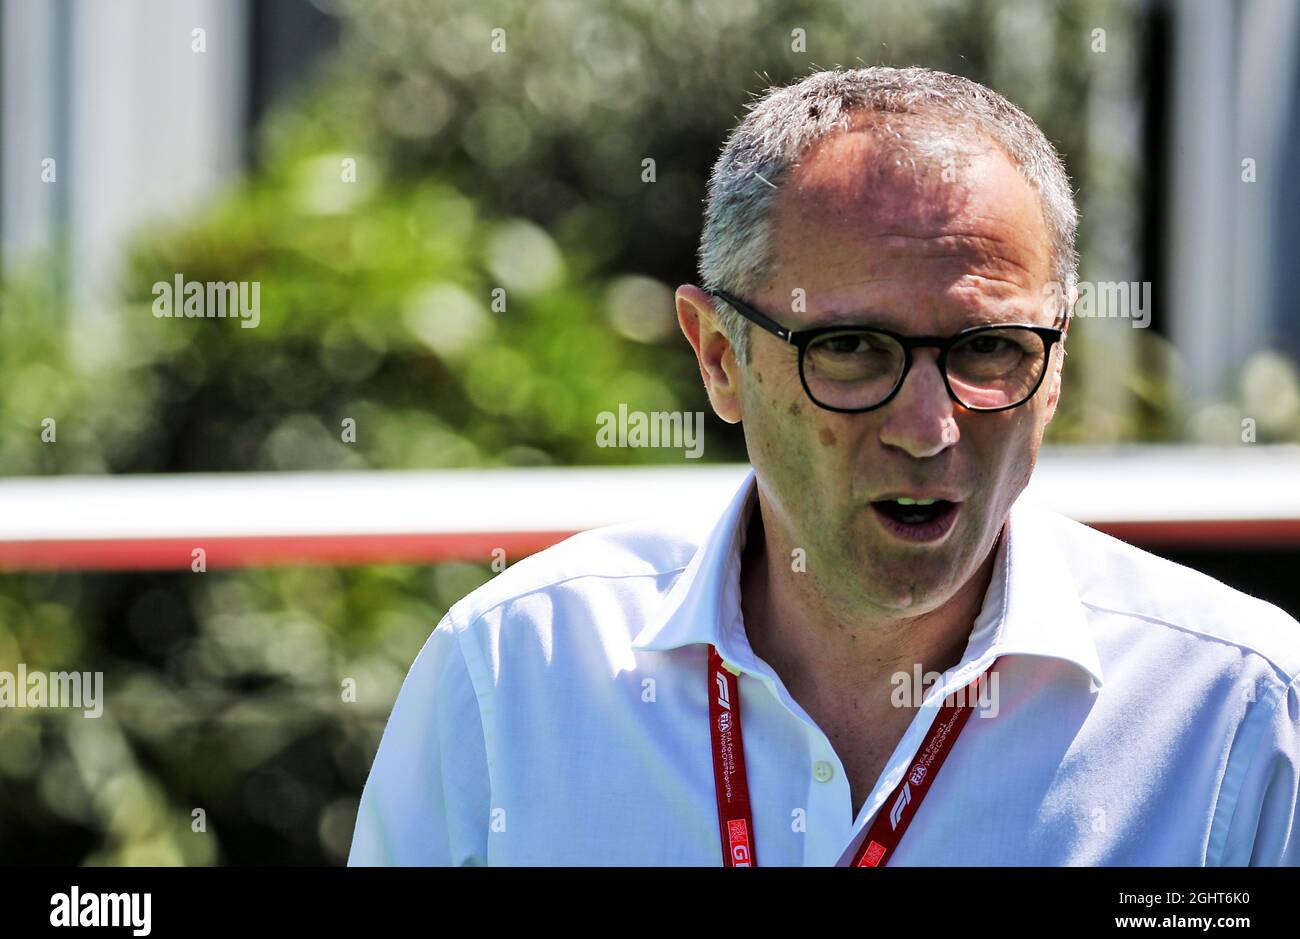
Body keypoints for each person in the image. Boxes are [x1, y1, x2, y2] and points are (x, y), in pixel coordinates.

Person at [348, 66, 1300, 866]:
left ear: (1054, 368)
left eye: (988, 349)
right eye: (850, 348)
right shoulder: (517, 671)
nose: (928, 428)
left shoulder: (1240, 713)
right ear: (718, 357)